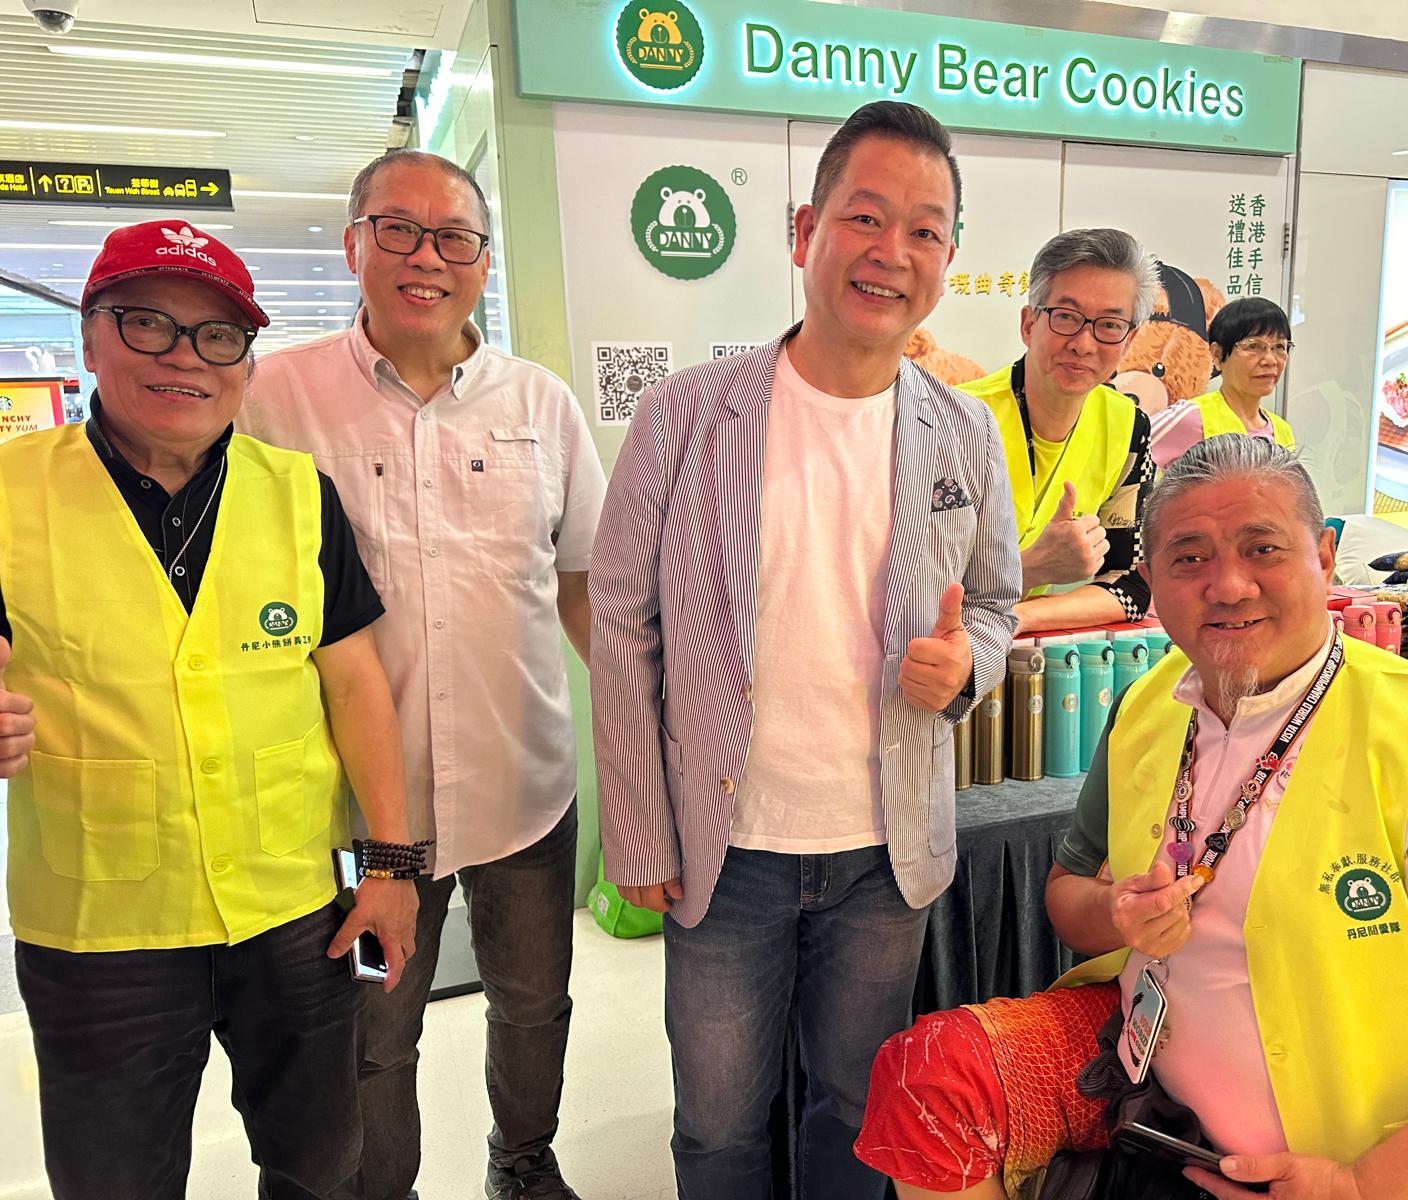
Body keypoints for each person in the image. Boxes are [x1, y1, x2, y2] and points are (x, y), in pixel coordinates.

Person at [857, 435, 1408, 1200]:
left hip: (1345, 1174)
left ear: (1324, 556)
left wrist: (1364, 1183)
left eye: (1262, 549)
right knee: (930, 1082)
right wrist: (1119, 915)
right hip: (1148, 1104)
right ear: (1150, 581)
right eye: (1189, 558)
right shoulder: (1148, 706)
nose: (1229, 586)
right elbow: (1068, 897)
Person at [590, 100, 1021, 1199]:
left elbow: (995, 604)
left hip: (884, 852)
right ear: (803, 231)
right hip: (726, 846)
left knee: (856, 1110)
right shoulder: (685, 416)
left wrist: (966, 666)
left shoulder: (965, 431)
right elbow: (623, 625)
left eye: (924, 231)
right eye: (864, 218)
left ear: (948, 260)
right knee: (718, 1125)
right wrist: (636, 826)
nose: (891, 252)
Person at [0, 219, 419, 1200]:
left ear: (246, 366)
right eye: (147, 323)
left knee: (323, 1162)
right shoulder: (13, 493)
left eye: (217, 336)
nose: (184, 356)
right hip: (100, 929)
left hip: (300, 911)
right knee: (114, 1180)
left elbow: (356, 683)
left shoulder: (298, 493)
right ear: (90, 340)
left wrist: (391, 867)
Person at [241, 149, 605, 1200]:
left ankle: (522, 1162)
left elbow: (584, 586)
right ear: (353, 244)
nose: (426, 258)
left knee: (533, 1002)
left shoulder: (540, 403)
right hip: (361, 819)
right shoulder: (275, 399)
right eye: (397, 230)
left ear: (484, 262)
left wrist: (648, 732)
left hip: (525, 795)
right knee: (375, 1025)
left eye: (454, 238)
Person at [958, 229, 1158, 635]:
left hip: (1020, 650)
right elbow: (906, 589)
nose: (1083, 344)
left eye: (1109, 325)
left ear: (1129, 340)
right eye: (1066, 317)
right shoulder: (954, 418)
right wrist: (1033, 567)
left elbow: (1129, 584)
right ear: (1029, 323)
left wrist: (1021, 616)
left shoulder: (1128, 426)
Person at [1149, 297, 1296, 471]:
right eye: (1254, 346)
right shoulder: (1191, 417)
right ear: (1218, 355)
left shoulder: (1282, 430)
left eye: (1279, 346)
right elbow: (1131, 444)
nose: (1270, 360)